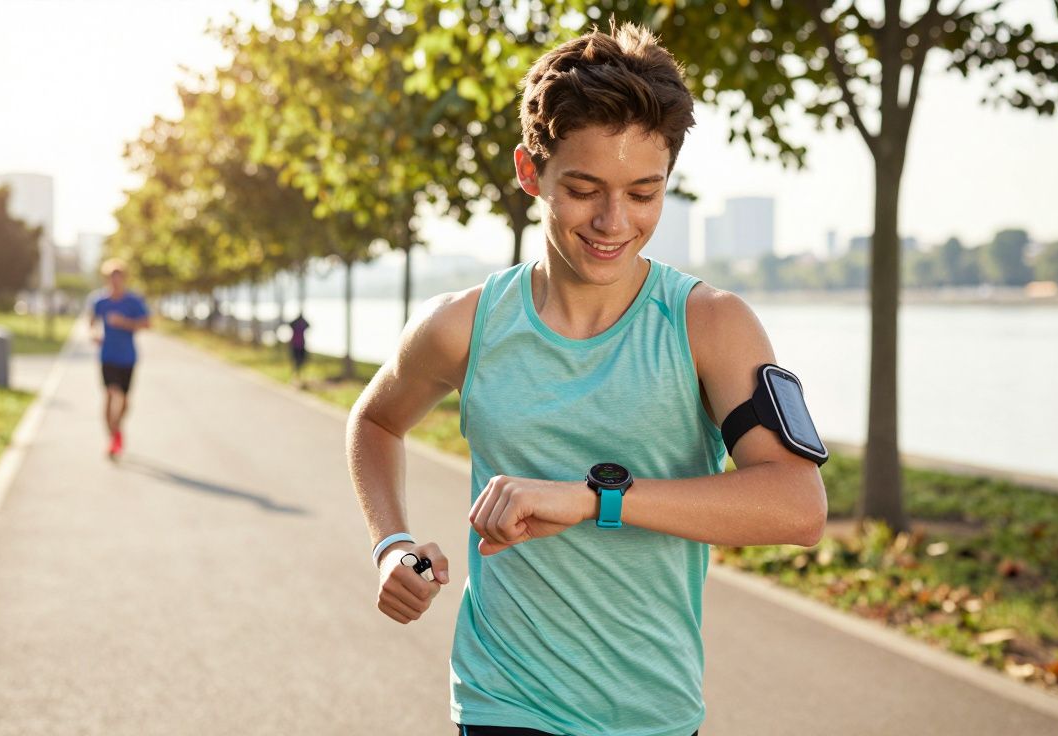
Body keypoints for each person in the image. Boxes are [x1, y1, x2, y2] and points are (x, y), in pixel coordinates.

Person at [345, 22, 827, 736]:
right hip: (501, 699)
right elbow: (376, 421)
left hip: (652, 714)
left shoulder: (710, 326)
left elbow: (797, 506)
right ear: (529, 171)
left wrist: (591, 500)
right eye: (583, 188)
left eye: (643, 193)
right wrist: (392, 543)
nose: (613, 221)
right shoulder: (461, 327)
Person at [90, 259, 150, 459]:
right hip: (107, 355)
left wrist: (124, 322)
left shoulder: (133, 301)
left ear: (124, 278)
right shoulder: (99, 301)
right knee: (109, 392)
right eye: (111, 277)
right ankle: (112, 438)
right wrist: (94, 334)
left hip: (128, 356)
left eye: (119, 277)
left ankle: (117, 429)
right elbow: (91, 323)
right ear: (106, 279)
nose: (115, 281)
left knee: (124, 398)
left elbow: (147, 324)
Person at [288, 313, 310, 385]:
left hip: (301, 345)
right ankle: (295, 377)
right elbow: (290, 324)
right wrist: (298, 318)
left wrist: (302, 319)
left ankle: (300, 377)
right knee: (295, 362)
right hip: (295, 345)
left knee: (302, 361)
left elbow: (308, 325)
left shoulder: (302, 324)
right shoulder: (295, 324)